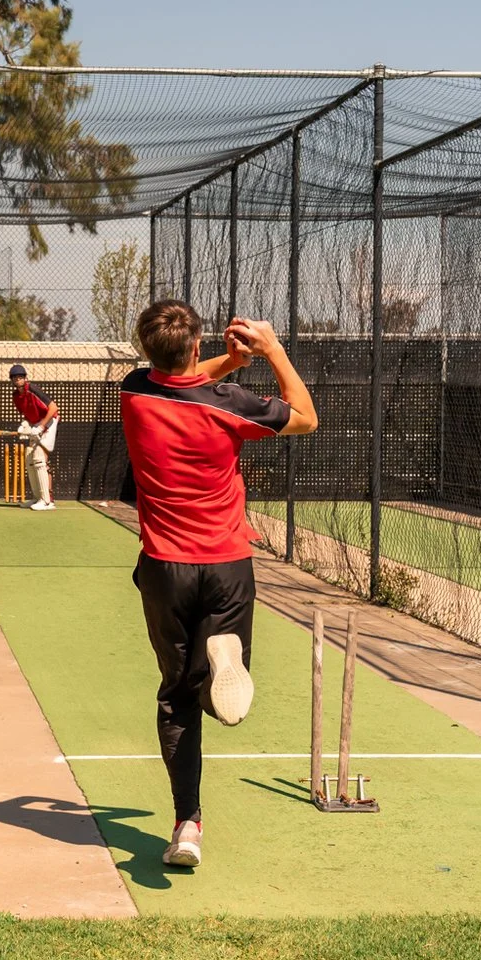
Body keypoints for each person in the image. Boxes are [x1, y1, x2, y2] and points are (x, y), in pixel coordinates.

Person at [118, 300, 318, 871]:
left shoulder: (135, 392)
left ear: (145, 349)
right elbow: (305, 417)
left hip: (164, 568)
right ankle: (220, 670)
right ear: (197, 341)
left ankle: (187, 825)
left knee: (174, 696)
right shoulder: (230, 407)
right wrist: (270, 350)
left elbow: (179, 379)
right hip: (227, 564)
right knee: (219, 688)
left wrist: (227, 361)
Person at [9, 362, 60, 511]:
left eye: (20, 377)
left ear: (25, 378)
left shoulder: (33, 389)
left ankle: (47, 501)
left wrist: (41, 426)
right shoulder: (16, 396)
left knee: (39, 458)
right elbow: (26, 414)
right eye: (15, 378)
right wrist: (25, 426)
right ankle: (37, 498)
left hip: (50, 421)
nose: (18, 380)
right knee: (29, 458)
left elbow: (54, 407)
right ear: (11, 380)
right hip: (37, 424)